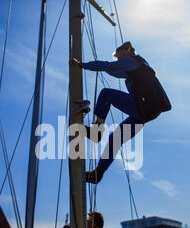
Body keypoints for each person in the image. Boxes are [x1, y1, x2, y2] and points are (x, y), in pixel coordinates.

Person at [69, 41, 171, 184]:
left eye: (119, 56)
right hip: (148, 113)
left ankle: (96, 131)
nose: (118, 60)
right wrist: (103, 67)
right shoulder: (137, 67)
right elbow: (111, 70)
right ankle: (97, 174)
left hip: (143, 107)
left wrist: (82, 65)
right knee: (115, 138)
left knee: (106, 94)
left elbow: (107, 66)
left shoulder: (132, 61)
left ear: (128, 52)